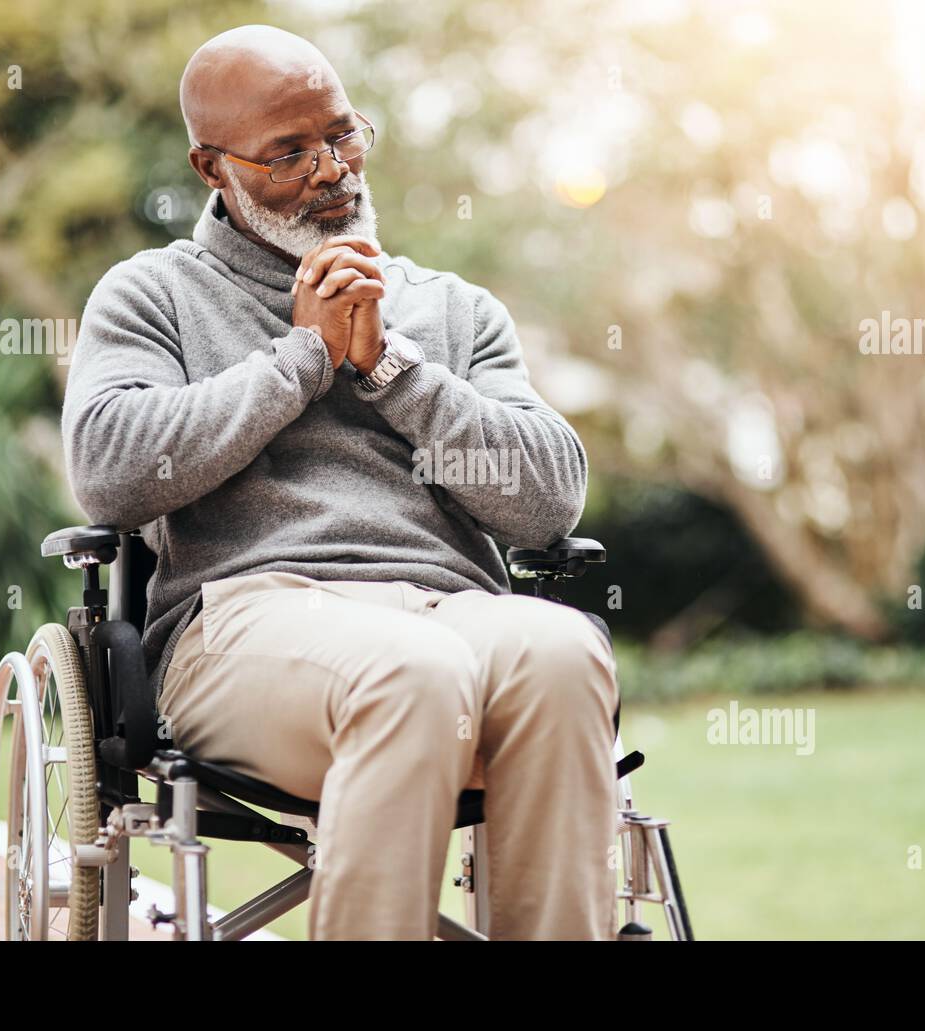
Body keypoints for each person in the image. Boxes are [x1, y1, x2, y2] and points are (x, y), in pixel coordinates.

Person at [60, 23, 620, 940]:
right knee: (414, 672)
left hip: (450, 606)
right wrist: (303, 359)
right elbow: (111, 474)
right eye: (288, 153)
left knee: (561, 653)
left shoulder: (453, 308)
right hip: (247, 620)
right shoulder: (152, 295)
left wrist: (393, 369)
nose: (331, 169)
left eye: (343, 134)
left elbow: (549, 499)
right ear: (213, 167)